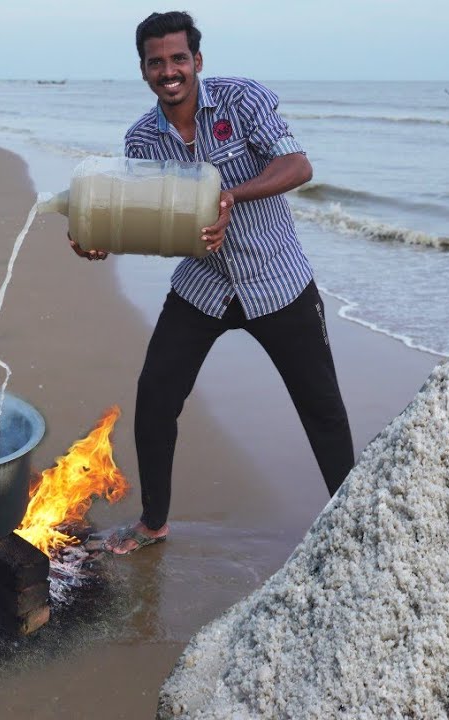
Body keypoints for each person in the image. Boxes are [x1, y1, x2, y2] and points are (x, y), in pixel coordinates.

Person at [69, 11, 355, 554]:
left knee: (322, 408)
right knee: (155, 398)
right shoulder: (141, 141)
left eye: (179, 59)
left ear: (197, 61)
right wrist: (99, 238)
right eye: (157, 62)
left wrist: (229, 195)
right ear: (144, 70)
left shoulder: (243, 100)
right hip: (202, 286)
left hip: (277, 280)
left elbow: (298, 166)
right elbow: (143, 219)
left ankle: (354, 524)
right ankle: (153, 523)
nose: (169, 70)